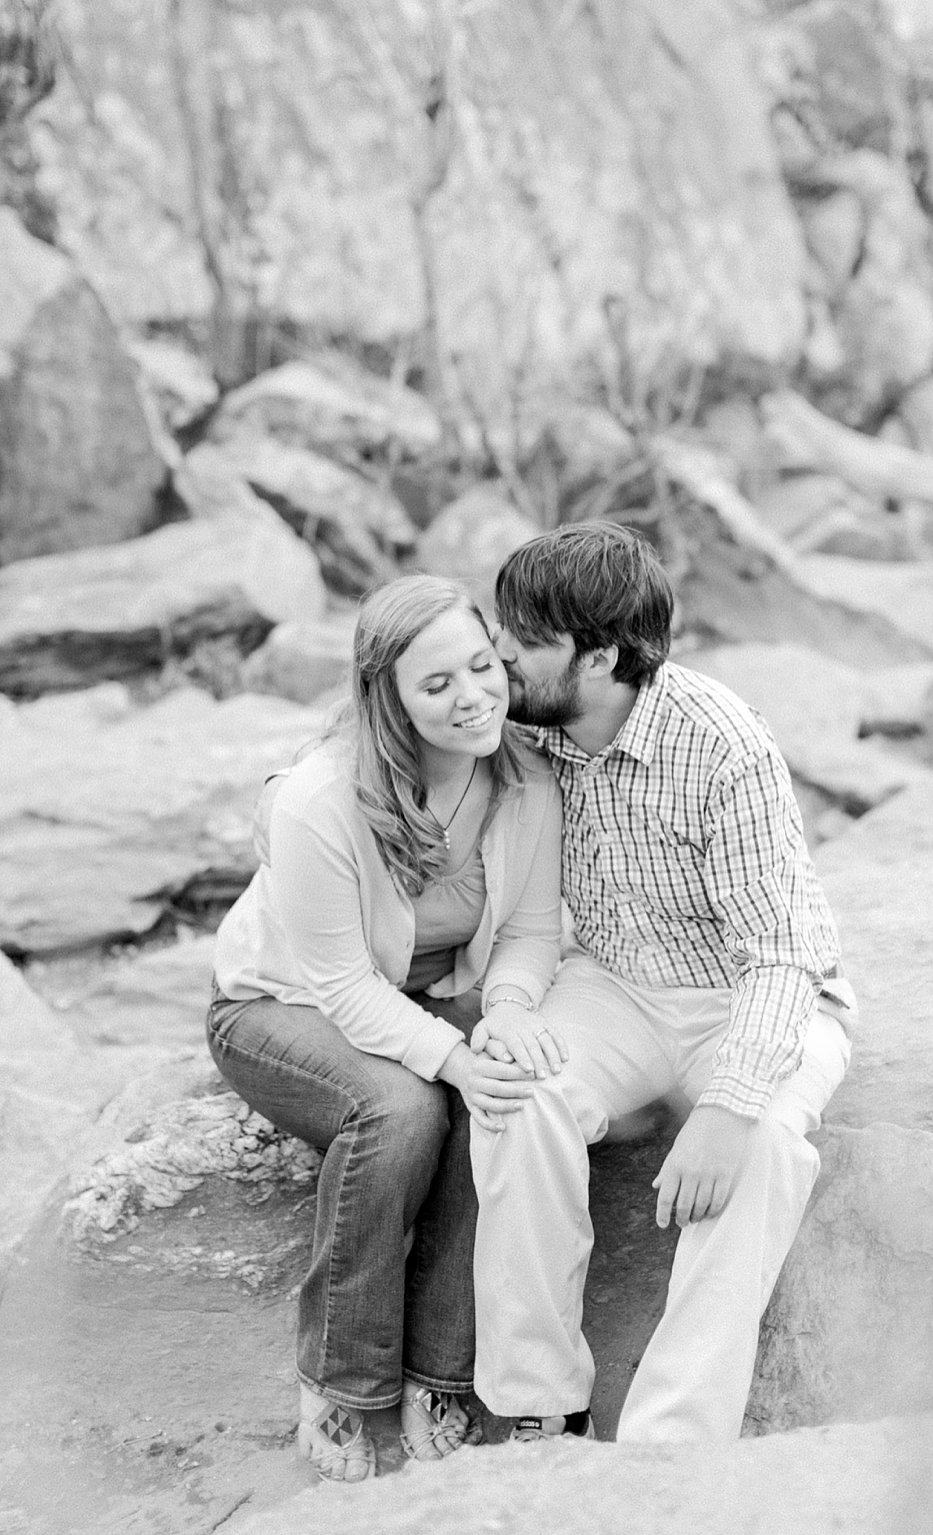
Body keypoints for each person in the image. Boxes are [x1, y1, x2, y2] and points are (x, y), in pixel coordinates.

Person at [474, 521, 855, 1445]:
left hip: (751, 994)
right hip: (612, 985)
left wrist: (726, 1107)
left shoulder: (722, 742)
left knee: (760, 1145)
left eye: (524, 640)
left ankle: (667, 1451)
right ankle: (537, 1409)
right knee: (518, 1098)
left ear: (601, 657)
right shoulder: (526, 731)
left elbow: (781, 951)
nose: (498, 656)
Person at [207, 576, 564, 1482]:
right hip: (283, 1005)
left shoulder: (525, 775)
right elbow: (341, 982)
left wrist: (510, 1010)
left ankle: (438, 1375)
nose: (472, 695)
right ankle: (342, 1384)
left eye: (483, 666)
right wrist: (449, 1056)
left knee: (506, 1092)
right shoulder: (320, 799)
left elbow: (527, 931)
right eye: (436, 684)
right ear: (387, 697)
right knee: (404, 1109)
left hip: (439, 993)